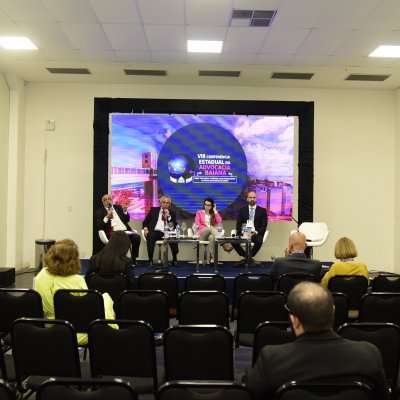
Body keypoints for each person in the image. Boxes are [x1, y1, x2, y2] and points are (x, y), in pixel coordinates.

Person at [244, 281, 390, 400]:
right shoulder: (369, 354)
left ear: (294, 321)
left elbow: (250, 393)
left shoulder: (272, 358)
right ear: (333, 312)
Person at [35, 239, 115, 345]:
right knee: (106, 299)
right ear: (74, 260)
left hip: (51, 326)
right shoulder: (77, 280)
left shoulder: (41, 274)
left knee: (105, 298)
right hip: (72, 329)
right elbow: (87, 309)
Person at [94, 194, 141, 265]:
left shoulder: (118, 208)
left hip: (125, 231)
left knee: (136, 237)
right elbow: (100, 226)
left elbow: (126, 220)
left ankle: (133, 259)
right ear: (102, 202)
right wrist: (106, 217)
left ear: (112, 200)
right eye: (105, 200)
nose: (107, 201)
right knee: (121, 239)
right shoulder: (99, 212)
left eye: (109, 199)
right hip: (113, 233)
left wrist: (125, 211)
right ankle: (119, 260)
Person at [142, 194, 179, 268]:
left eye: (167, 203)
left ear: (169, 204)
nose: (165, 204)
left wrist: (168, 217)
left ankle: (174, 259)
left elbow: (173, 226)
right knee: (150, 235)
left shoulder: (172, 213)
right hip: (156, 231)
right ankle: (150, 260)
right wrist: (145, 229)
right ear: (160, 202)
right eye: (163, 202)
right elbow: (145, 222)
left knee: (173, 237)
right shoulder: (153, 210)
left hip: (167, 232)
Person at [233, 190, 268, 267]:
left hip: (255, 233)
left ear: (256, 199)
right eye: (250, 197)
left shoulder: (262, 211)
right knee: (234, 242)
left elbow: (263, 226)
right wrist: (244, 232)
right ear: (247, 199)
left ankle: (246, 260)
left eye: (254, 197)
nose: (252, 199)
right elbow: (238, 226)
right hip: (244, 233)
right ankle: (248, 259)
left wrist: (254, 233)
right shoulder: (242, 210)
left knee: (259, 241)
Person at [195, 197, 233, 264]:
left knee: (212, 237)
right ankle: (224, 244)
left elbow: (219, 221)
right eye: (205, 204)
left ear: (212, 206)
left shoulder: (213, 214)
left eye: (208, 205)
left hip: (210, 234)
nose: (206, 206)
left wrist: (215, 211)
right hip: (202, 233)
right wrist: (207, 228)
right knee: (211, 228)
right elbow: (197, 224)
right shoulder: (199, 213)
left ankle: (211, 258)